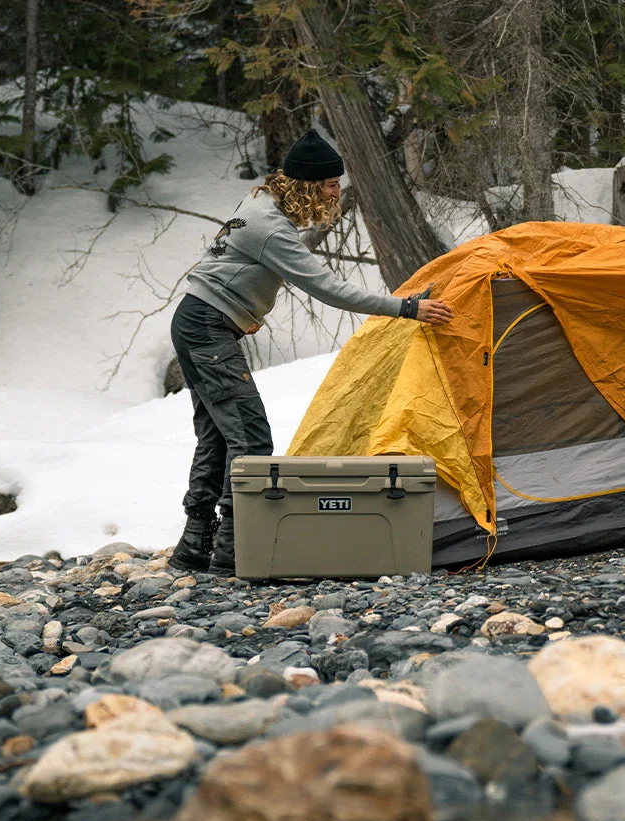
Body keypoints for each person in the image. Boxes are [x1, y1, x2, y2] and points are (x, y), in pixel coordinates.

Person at [168, 129, 454, 575]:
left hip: (197, 321)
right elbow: (327, 289)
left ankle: (194, 545)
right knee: (251, 437)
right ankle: (234, 547)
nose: (336, 194)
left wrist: (242, 307)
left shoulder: (261, 203)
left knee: (219, 435)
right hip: (206, 327)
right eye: (331, 186)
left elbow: (234, 268)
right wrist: (406, 308)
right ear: (307, 185)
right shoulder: (270, 228)